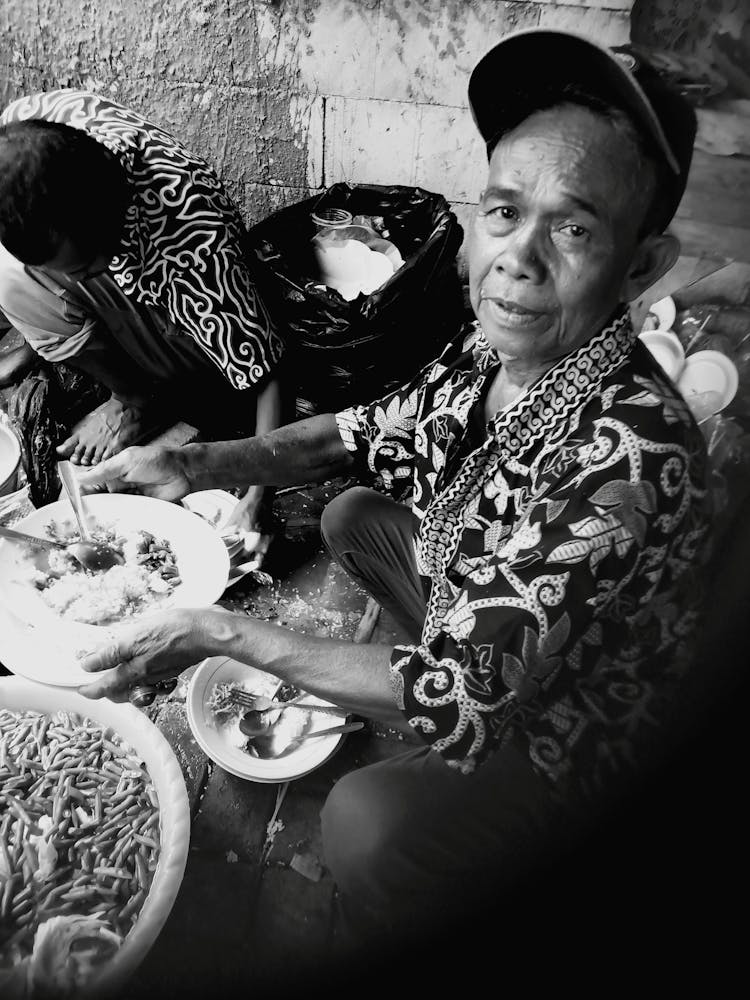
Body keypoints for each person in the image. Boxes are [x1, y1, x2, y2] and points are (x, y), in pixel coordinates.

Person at [76, 29, 712, 956]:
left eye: (573, 228)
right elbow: (358, 428)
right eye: (503, 211)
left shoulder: (630, 462)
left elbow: (460, 693)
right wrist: (199, 464)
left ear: (644, 264)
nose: (516, 259)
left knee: (366, 827)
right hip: (492, 619)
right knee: (352, 515)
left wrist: (211, 630)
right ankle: (416, 674)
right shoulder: (501, 343)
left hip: (572, 730)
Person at [0, 90, 286, 536]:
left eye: (78, 271)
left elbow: (265, 370)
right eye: (63, 274)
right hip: (115, 257)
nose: (70, 282)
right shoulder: (24, 133)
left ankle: (141, 402)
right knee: (11, 276)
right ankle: (103, 375)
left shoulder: (191, 240)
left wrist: (255, 498)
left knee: (30, 284)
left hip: (186, 324)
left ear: (109, 227)